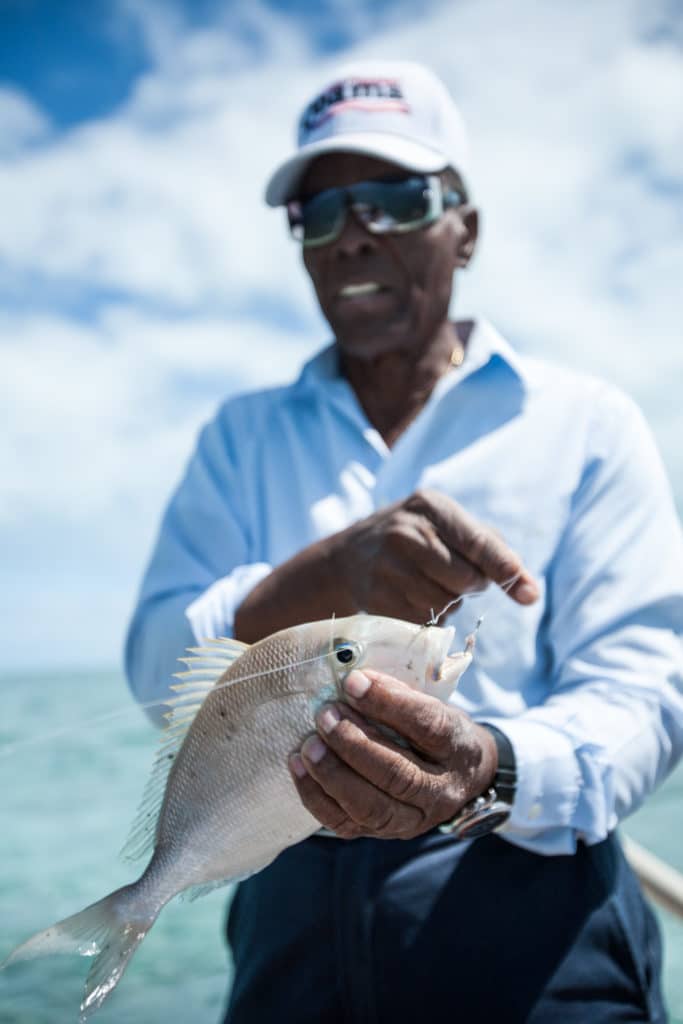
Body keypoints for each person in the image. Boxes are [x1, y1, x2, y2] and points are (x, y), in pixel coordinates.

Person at [126, 60, 683, 1022]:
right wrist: (313, 580)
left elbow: (648, 687)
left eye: (393, 197)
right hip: (284, 903)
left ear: (464, 227)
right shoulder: (238, 436)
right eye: (320, 211)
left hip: (533, 907)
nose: (354, 235)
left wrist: (488, 766)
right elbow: (152, 672)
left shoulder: (587, 421)